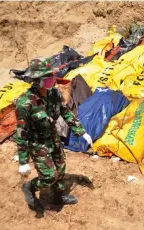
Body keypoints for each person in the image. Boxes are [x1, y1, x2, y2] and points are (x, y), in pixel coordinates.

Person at [15, 57, 93, 211]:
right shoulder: (25, 103)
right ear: (37, 80)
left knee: (61, 169)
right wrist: (23, 161)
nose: (52, 79)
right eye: (48, 76)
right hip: (37, 143)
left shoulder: (54, 93)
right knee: (49, 176)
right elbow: (22, 133)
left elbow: (66, 112)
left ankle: (59, 196)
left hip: (54, 139)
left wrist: (81, 131)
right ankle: (29, 187)